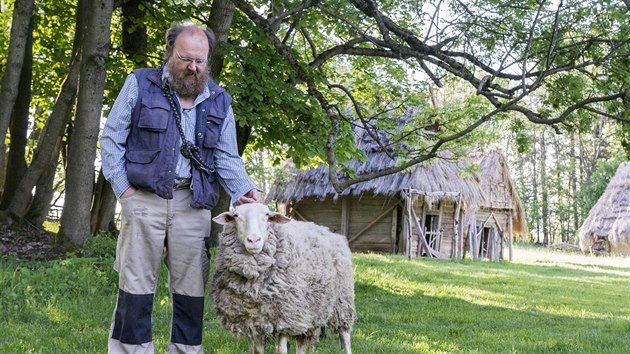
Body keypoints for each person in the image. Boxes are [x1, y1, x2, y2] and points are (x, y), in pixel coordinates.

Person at [100, 19, 258, 353]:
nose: (193, 67)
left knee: (191, 293)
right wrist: (125, 193)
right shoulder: (140, 84)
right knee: (135, 288)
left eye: (200, 61)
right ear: (170, 51)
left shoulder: (219, 100)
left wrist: (244, 190)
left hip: (193, 203)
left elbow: (227, 156)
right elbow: (112, 139)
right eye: (186, 59)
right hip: (143, 198)